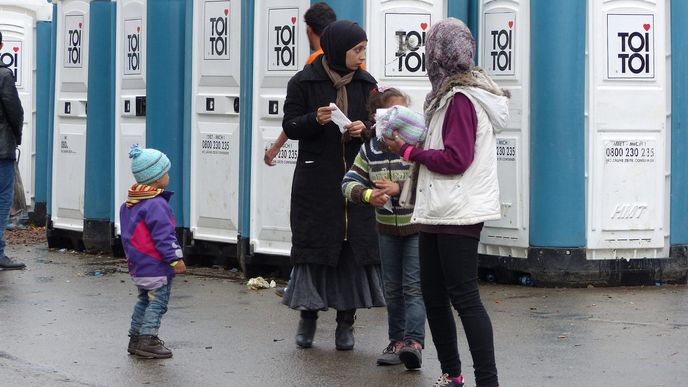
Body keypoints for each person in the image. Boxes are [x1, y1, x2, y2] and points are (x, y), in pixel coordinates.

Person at [384, 18, 508, 387]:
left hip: (458, 211)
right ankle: (452, 375)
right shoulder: (446, 97)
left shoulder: (459, 100)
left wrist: (408, 151)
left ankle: (488, 381)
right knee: (434, 297)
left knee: (464, 298)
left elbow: (456, 159)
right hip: (438, 209)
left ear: (437, 54)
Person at [281, 20, 385, 351]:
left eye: (364, 49)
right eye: (358, 50)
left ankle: (345, 324)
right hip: (316, 183)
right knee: (314, 249)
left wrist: (364, 128)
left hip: (356, 181)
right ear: (339, 49)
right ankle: (308, 317)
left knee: (351, 251)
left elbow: (380, 123)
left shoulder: (367, 84)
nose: (362, 56)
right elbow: (290, 125)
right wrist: (315, 119)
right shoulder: (303, 81)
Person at [341, 86, 426, 369]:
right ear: (378, 118)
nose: (398, 121)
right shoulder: (370, 150)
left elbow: (427, 181)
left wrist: (397, 188)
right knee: (392, 288)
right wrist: (368, 195)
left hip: (415, 227)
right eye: (392, 113)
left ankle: (414, 343)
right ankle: (396, 341)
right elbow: (348, 182)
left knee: (413, 287)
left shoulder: (415, 147)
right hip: (386, 229)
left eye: (404, 112)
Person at [120, 145, 187, 359]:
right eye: (165, 172)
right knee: (158, 302)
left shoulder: (129, 204)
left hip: (138, 265)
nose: (168, 176)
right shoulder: (157, 205)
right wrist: (176, 259)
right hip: (156, 265)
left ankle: (135, 337)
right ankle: (148, 339)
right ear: (156, 178)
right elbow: (164, 237)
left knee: (143, 300)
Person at [264, 2, 336, 167]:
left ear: (309, 29)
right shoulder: (351, 63)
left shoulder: (315, 64)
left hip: (318, 149)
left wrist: (276, 147)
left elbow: (299, 113)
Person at [0, 31, 26, 270]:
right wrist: (16, 138)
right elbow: (15, 112)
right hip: (1, 150)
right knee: (2, 200)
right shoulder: (4, 75)